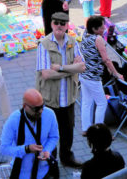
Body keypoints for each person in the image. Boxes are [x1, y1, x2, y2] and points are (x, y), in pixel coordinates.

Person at [36, 12, 86, 168]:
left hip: (68, 98)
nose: (59, 26)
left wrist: (61, 68)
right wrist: (71, 69)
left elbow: (82, 66)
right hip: (50, 99)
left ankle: (66, 158)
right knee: (50, 134)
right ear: (51, 24)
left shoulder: (72, 42)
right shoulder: (43, 44)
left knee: (68, 132)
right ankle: (51, 161)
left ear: (66, 26)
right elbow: (46, 74)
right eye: (56, 22)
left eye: (62, 23)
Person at [1, 88, 60, 179]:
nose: (41, 111)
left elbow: (54, 137)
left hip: (44, 171)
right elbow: (4, 148)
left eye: (42, 106)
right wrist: (26, 149)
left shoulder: (50, 114)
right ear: (25, 106)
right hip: (22, 173)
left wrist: (47, 150)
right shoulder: (14, 120)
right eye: (36, 109)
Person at [80, 16, 123, 134]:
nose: (104, 28)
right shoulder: (97, 39)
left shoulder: (85, 34)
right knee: (101, 103)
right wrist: (116, 73)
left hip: (83, 74)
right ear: (95, 29)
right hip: (93, 77)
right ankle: (99, 132)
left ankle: (86, 129)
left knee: (86, 102)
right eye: (102, 26)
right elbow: (106, 60)